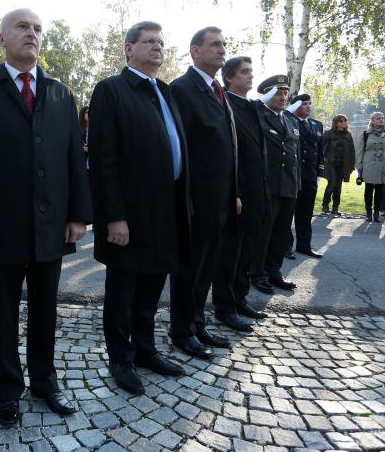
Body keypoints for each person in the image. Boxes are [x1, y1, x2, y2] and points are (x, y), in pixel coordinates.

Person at [0, 9, 91, 426]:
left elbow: (74, 159)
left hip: (52, 226)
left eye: (37, 29)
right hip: (1, 229)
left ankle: (46, 383)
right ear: (1, 38)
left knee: (45, 311)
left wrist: (78, 216)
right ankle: (8, 391)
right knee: (3, 313)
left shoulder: (61, 94)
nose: (31, 34)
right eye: (22, 27)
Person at [89, 21, 189, 395]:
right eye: (148, 42)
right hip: (129, 214)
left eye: (161, 42)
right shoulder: (111, 90)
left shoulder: (164, 91)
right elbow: (104, 160)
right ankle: (121, 358)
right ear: (128, 49)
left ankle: (145, 349)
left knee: (152, 285)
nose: (157, 47)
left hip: (166, 208)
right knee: (124, 289)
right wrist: (114, 216)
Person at [168, 26, 238, 360]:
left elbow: (227, 148)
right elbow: (180, 148)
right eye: (214, 45)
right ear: (195, 51)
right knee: (189, 269)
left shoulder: (217, 90)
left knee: (207, 267)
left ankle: (197, 322)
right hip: (195, 201)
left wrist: (234, 193)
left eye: (224, 45)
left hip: (221, 200)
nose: (222, 50)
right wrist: (187, 199)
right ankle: (181, 330)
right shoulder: (182, 89)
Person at [212, 56, 269, 330]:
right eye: (244, 72)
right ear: (230, 77)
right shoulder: (225, 104)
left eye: (251, 71)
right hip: (237, 191)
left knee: (247, 250)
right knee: (229, 253)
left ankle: (240, 298)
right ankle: (224, 306)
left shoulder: (253, 107)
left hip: (257, 190)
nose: (250, 76)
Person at [248, 75, 300, 295]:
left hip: (288, 184)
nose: (283, 97)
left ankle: (273, 271)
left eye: (285, 93)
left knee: (280, 232)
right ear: (267, 95)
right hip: (268, 184)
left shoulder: (290, 120)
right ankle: (256, 273)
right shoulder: (258, 114)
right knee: (264, 232)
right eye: (278, 93)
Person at [285, 94, 324, 258]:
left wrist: (320, 171)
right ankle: (285, 246)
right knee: (287, 214)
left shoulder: (317, 124)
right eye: (304, 104)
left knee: (306, 213)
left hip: (309, 174)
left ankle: (304, 245)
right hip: (293, 174)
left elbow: (320, 150)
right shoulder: (288, 121)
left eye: (310, 103)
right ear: (295, 106)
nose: (309, 106)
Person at [321, 115, 355, 216]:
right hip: (330, 163)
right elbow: (320, 148)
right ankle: (325, 204)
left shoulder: (348, 135)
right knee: (333, 183)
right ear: (335, 122)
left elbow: (352, 151)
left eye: (345, 120)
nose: (343, 122)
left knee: (338, 186)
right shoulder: (328, 133)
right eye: (341, 121)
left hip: (343, 164)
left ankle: (335, 207)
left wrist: (352, 164)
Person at [356, 112, 385, 222]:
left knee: (380, 190)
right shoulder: (365, 134)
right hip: (368, 164)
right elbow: (359, 151)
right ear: (372, 120)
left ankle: (377, 213)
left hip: (382, 165)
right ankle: (368, 212)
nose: (381, 120)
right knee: (368, 189)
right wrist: (359, 165)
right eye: (378, 118)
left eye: (383, 118)